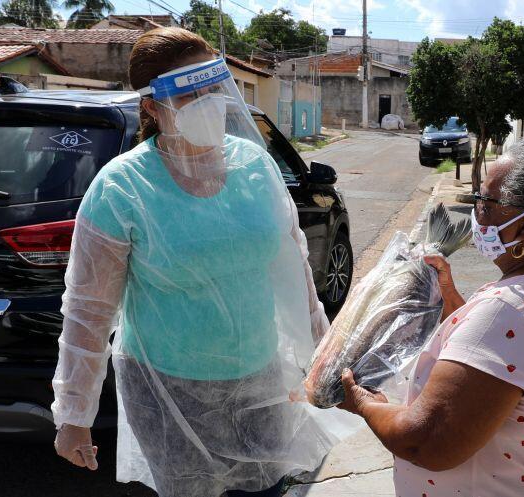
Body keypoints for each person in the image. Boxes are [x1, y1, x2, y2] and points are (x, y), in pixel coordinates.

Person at [51, 27, 340, 497]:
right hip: (169, 394)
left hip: (261, 384)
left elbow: (295, 271)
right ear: (151, 106)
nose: (209, 101)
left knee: (266, 492)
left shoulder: (254, 166)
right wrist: (73, 416)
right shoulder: (122, 188)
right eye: (190, 92)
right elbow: (88, 310)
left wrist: (323, 358)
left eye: (213, 86)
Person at [338, 134, 524, 497]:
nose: (476, 211)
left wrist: (363, 402)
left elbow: (426, 443)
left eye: (485, 202)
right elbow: (501, 357)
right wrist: (450, 297)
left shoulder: (509, 312)